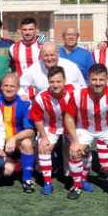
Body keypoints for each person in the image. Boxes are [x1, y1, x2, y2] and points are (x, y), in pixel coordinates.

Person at [62, 64, 108, 200]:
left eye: (101, 79)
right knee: (75, 152)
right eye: (94, 79)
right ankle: (77, 185)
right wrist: (75, 141)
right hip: (85, 128)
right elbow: (69, 117)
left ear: (107, 79)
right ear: (89, 79)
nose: (97, 83)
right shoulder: (78, 94)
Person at [28, 66, 76, 196]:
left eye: (58, 81)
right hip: (51, 126)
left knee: (78, 148)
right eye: (52, 82)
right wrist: (43, 137)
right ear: (48, 82)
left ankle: (78, 180)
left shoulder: (74, 92)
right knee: (43, 147)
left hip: (70, 126)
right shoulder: (41, 97)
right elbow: (37, 119)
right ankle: (47, 182)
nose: (55, 85)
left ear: (64, 81)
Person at [0, 73, 36, 192]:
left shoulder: (25, 104)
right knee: (7, 171)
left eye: (12, 86)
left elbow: (30, 131)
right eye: (6, 85)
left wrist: (13, 139)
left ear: (18, 88)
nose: (9, 89)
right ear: (1, 87)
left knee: (27, 143)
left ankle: (27, 180)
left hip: (15, 144)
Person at [18, 41, 85, 100]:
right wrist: (23, 96)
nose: (49, 59)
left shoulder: (71, 67)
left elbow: (82, 86)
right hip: (45, 108)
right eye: (46, 55)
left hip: (69, 107)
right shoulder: (34, 69)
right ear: (41, 55)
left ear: (58, 54)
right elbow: (20, 86)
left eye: (52, 55)